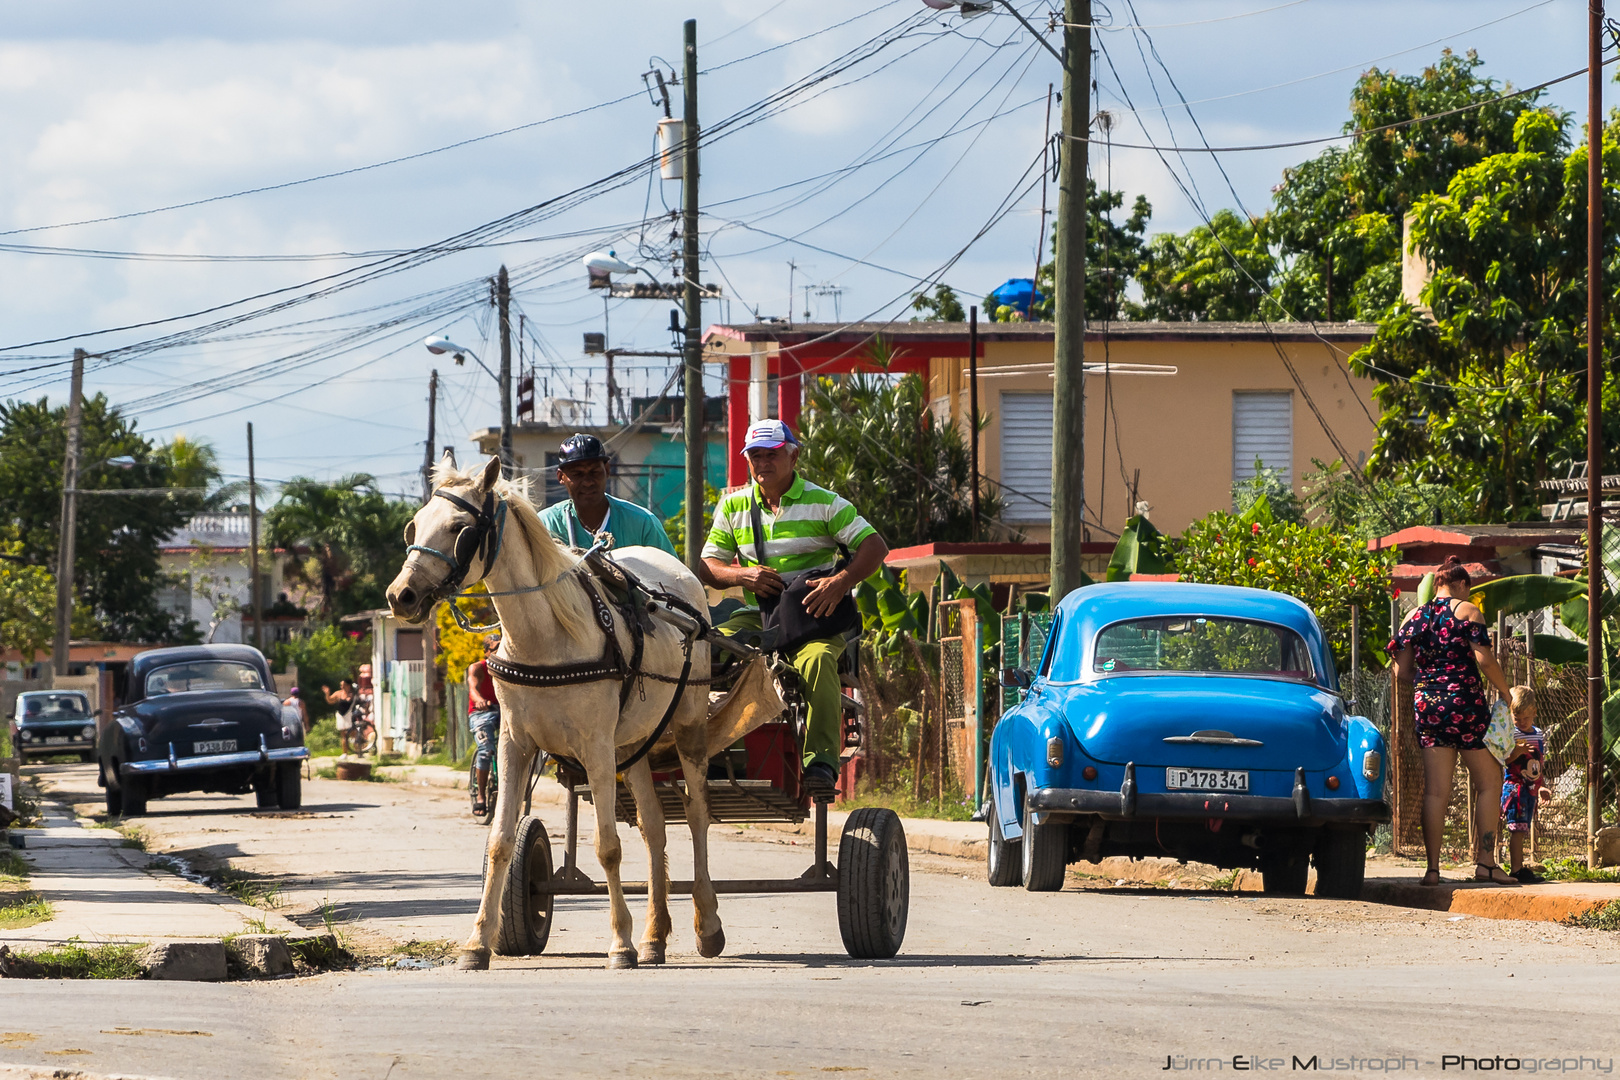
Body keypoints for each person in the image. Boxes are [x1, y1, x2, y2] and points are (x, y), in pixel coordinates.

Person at [697, 419, 888, 794]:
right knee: (702, 650)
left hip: (813, 617)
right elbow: (708, 566)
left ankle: (820, 764)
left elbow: (875, 546)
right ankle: (698, 751)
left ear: (793, 455)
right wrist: (742, 576)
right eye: (755, 456)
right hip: (760, 616)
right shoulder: (733, 505)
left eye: (771, 455)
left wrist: (840, 582)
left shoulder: (825, 502)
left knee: (817, 661)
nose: (762, 463)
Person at [1389, 555, 1518, 886]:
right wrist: (1505, 693)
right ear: (1461, 584)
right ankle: (1486, 863)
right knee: (1489, 781)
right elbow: (1484, 660)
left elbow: (1401, 670)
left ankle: (1432, 869)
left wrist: (1431, 679)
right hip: (1465, 704)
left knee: (1435, 792)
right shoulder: (1468, 612)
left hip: (1428, 706)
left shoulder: (1413, 616)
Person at [538, 433, 677, 555]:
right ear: (561, 477)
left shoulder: (642, 523)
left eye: (594, 472)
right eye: (577, 474)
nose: (587, 482)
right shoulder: (545, 526)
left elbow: (673, 577)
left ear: (607, 470)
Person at [1501, 685, 1551, 884]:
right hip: (1515, 787)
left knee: (1523, 828)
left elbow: (1538, 763)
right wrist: (1517, 751)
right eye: (1517, 718)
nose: (1521, 723)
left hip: (1531, 789)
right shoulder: (1510, 733)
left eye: (1526, 719)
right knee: (1517, 829)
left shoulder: (1538, 734)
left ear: (1534, 714)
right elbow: (1505, 760)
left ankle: (1518, 867)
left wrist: (1542, 785)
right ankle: (1516, 869)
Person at [468, 633, 503, 816]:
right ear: (486, 652)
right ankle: (481, 796)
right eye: (496, 649)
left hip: (503, 711)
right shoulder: (478, 668)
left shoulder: (507, 668)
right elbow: (473, 687)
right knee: (486, 750)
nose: (500, 652)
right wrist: (480, 700)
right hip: (482, 713)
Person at [322, 679, 357, 756]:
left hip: (349, 714)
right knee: (343, 734)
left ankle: (357, 751)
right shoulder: (338, 693)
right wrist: (327, 694)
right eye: (341, 685)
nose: (341, 687)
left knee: (353, 733)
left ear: (348, 686)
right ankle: (345, 753)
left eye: (343, 685)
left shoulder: (353, 694)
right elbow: (330, 701)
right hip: (341, 715)